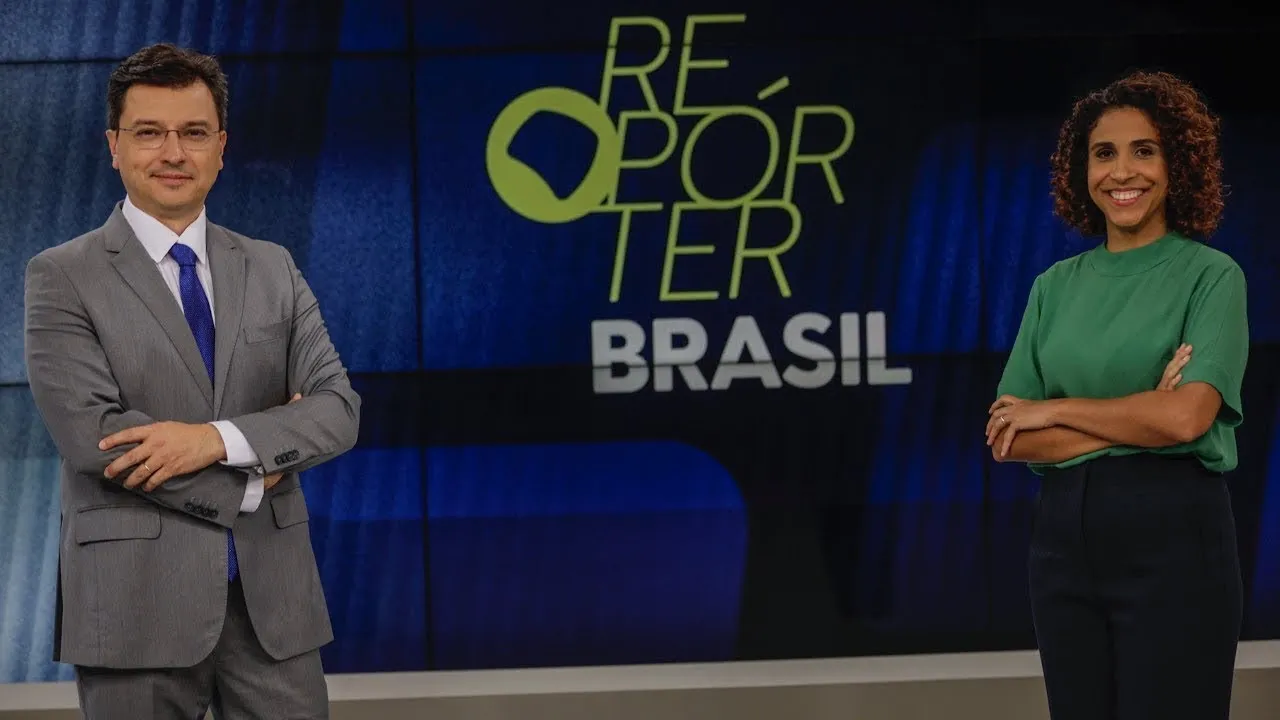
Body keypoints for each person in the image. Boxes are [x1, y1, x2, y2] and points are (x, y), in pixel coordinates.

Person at [23, 43, 360, 719]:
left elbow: (335, 409)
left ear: (221, 147)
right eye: (150, 132)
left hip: (274, 609)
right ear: (115, 146)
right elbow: (98, 438)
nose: (173, 153)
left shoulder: (272, 267)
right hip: (134, 608)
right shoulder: (61, 275)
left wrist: (215, 440)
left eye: (194, 133)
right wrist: (251, 479)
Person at [984, 70, 1247, 719]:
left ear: (1176, 164)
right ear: (1083, 170)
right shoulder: (1053, 286)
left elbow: (1185, 418)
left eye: (1144, 151)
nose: (1121, 172)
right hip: (1061, 547)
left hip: (1175, 538)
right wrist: (1139, 411)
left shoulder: (1211, 276)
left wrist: (1055, 409)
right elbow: (1009, 437)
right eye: (1104, 153)